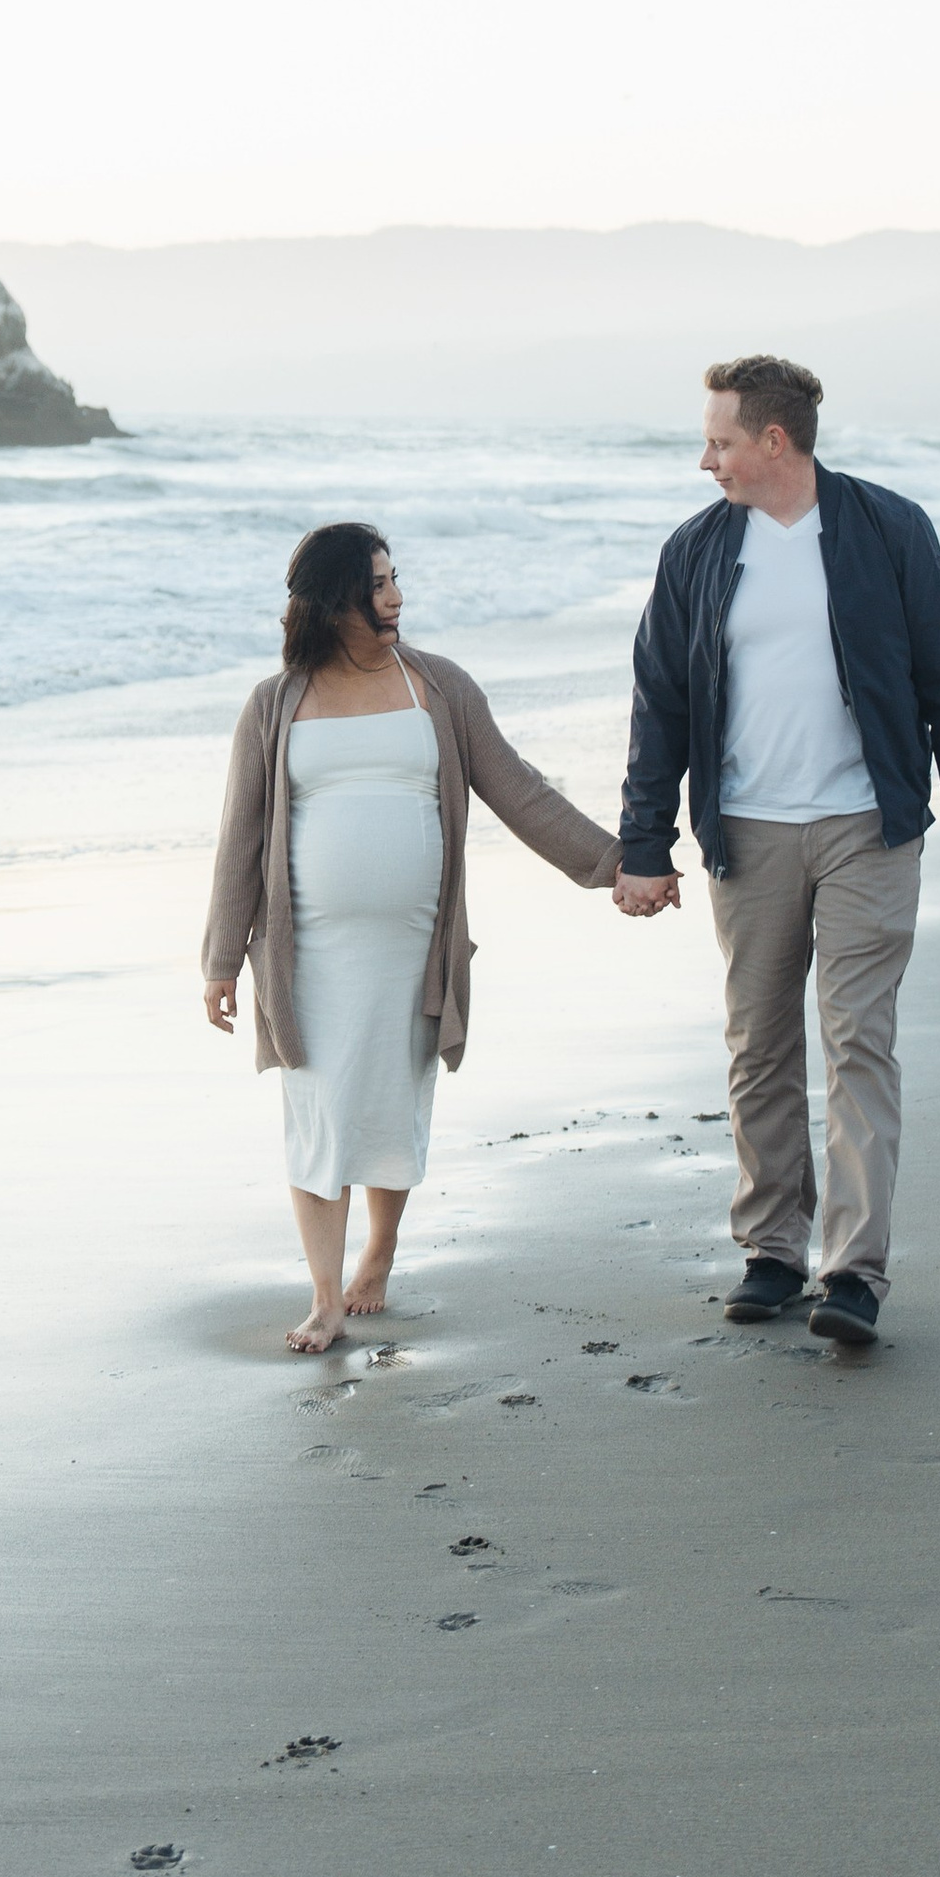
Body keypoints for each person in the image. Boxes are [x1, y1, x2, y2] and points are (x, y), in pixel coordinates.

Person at [614, 355, 940, 1349]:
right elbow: (658, 703)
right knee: (759, 1046)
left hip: (866, 826)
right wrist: (643, 842)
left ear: (773, 443)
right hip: (745, 831)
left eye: (719, 440)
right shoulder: (696, 552)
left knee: (857, 1041)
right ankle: (772, 1249)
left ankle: (854, 1272)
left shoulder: (888, 531)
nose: (707, 459)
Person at [205, 521, 625, 1354]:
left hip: (412, 949)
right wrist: (221, 959)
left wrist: (619, 863)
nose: (395, 597)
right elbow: (240, 837)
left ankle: (380, 1251)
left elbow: (521, 793)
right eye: (377, 584)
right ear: (333, 601)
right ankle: (323, 1297)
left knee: (393, 1105)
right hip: (307, 954)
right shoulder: (274, 702)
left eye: (397, 580)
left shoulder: (437, 687)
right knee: (317, 1110)